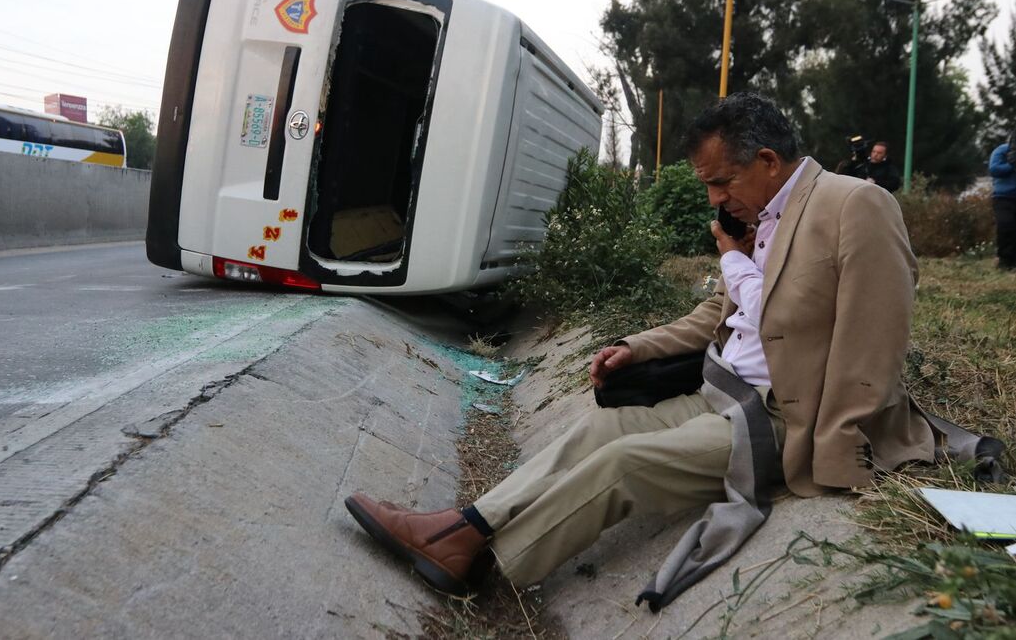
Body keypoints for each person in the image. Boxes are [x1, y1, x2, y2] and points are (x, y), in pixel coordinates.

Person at [343, 93, 939, 609]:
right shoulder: (766, 214)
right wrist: (636, 345)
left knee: (624, 462)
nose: (713, 200)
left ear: (766, 161)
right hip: (724, 396)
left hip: (786, 421)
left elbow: (876, 336)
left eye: (720, 182)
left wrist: (836, 451)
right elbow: (722, 312)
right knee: (597, 431)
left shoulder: (853, 204)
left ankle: (486, 559)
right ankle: (462, 527)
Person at [990, 130, 1016, 270]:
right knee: (1006, 227)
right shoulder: (1001, 151)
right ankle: (1004, 260)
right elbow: (994, 169)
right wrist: (1011, 165)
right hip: (1003, 197)